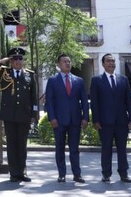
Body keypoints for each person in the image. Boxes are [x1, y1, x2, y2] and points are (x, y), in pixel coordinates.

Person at [0, 47, 38, 183]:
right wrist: (0, 62)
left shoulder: (29, 75)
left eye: (20, 58)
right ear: (11, 61)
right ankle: (14, 173)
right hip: (9, 115)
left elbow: (34, 97)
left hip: (24, 115)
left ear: (23, 61)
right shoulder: (3, 73)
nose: (18, 61)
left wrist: (34, 115)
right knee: (12, 145)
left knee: (22, 145)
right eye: (15, 59)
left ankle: (22, 172)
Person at [89, 53, 131, 183]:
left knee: (122, 149)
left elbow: (129, 101)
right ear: (103, 64)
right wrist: (96, 120)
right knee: (106, 149)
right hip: (104, 122)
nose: (111, 63)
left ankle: (123, 173)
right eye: (108, 61)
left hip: (122, 122)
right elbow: (94, 102)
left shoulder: (123, 79)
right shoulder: (96, 80)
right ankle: (106, 174)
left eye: (113, 61)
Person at [45, 54, 89, 183]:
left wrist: (85, 117)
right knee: (60, 148)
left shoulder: (79, 81)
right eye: (64, 61)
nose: (67, 63)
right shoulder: (52, 81)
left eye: (69, 61)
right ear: (58, 65)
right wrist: (52, 117)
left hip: (75, 120)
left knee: (74, 149)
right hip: (58, 120)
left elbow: (84, 102)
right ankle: (62, 174)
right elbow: (49, 101)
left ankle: (77, 174)